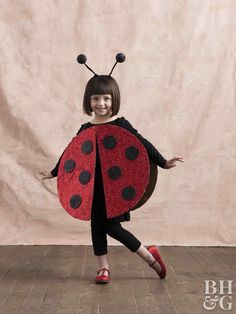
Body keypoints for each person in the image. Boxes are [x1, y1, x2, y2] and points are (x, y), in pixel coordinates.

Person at [38, 55, 184, 284]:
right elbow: (72, 156)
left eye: (106, 98)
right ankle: (103, 268)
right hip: (93, 189)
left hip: (113, 188)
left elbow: (142, 143)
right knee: (96, 225)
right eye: (96, 98)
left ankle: (148, 255)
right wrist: (54, 172)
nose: (101, 103)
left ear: (113, 100)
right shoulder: (85, 128)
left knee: (110, 226)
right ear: (89, 101)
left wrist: (164, 162)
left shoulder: (121, 125)